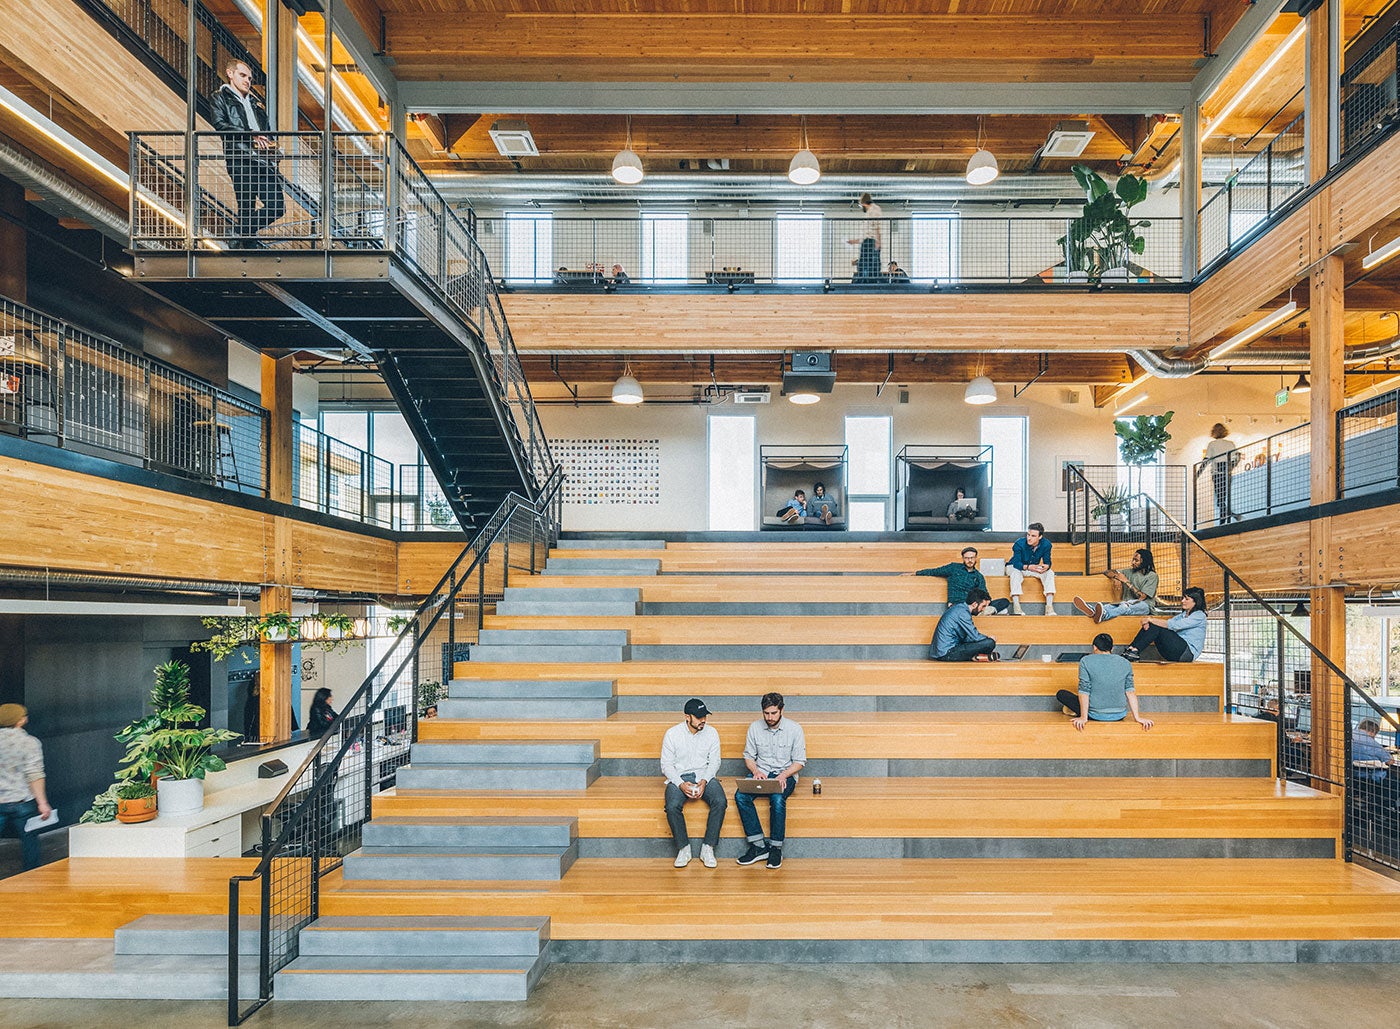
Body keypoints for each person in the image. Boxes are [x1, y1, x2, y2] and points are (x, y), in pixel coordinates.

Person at [210, 59, 286, 248]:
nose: (247, 81)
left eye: (250, 78)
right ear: (230, 73)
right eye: (243, 76)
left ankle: (240, 233)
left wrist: (273, 150)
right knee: (246, 207)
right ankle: (247, 243)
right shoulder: (220, 97)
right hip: (240, 159)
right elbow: (220, 125)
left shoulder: (256, 104)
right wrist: (249, 135)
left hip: (263, 161)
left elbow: (266, 133)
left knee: (277, 206)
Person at [734, 692, 806, 870]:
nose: (770, 717)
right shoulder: (754, 727)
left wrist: (784, 775)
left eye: (774, 713)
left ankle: (775, 848)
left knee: (777, 798)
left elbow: (799, 762)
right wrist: (755, 771)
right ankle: (759, 846)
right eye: (766, 713)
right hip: (762, 773)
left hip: (785, 774)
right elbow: (749, 757)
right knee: (740, 795)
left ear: (781, 710)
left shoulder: (795, 729)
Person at [660, 698, 726, 869]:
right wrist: (681, 784)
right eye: (698, 717)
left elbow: (715, 762)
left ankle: (708, 847)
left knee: (720, 801)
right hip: (679, 777)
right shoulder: (672, 734)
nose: (703, 720)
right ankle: (683, 848)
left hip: (704, 775)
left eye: (704, 716)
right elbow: (666, 765)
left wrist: (704, 781)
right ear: (687, 717)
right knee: (673, 804)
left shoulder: (712, 733)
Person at [1056, 634, 1153, 732]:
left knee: (1061, 694)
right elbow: (1130, 692)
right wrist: (1138, 718)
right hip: (1119, 715)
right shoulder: (1125, 662)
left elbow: (1084, 691)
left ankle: (1074, 710)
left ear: (1094, 647)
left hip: (1095, 715)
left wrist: (1083, 717)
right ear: (1112, 648)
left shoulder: (1086, 661)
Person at [0, 703, 51, 872]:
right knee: (30, 842)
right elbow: (34, 774)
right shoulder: (29, 742)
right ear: (20, 720)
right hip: (22, 801)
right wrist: (42, 803)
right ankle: (31, 877)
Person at [907, 546, 1009, 614]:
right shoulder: (953, 568)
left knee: (1004, 601)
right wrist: (915, 573)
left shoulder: (979, 576)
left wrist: (986, 602)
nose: (970, 560)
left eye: (972, 558)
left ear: (976, 558)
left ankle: (987, 610)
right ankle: (987, 612)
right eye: (967, 558)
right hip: (957, 605)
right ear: (963, 558)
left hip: (973, 605)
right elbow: (935, 571)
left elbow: (985, 594)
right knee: (1001, 611)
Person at [1124, 586, 1208, 663]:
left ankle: (1134, 650)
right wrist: (1149, 622)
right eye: (1183, 598)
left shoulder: (1199, 615)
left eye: (1186, 599)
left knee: (1156, 625)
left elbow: (1173, 625)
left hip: (1187, 653)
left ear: (1196, 602)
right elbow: (1169, 623)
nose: (1182, 601)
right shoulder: (1183, 615)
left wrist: (1150, 619)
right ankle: (1131, 649)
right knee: (1154, 624)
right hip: (1175, 650)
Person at [1073, 548, 1158, 623]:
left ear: (1144, 562)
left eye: (1136, 560)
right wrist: (1116, 576)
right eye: (1133, 559)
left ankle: (1104, 615)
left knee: (1124, 606)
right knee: (1114, 605)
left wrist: (1126, 581)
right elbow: (1107, 572)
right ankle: (1093, 611)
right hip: (1127, 602)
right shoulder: (1129, 572)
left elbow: (1142, 597)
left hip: (1145, 605)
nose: (1133, 562)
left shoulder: (1152, 576)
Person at [930, 587, 999, 662]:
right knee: (989, 643)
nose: (983, 609)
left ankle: (977, 657)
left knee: (984, 642)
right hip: (946, 653)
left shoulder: (960, 608)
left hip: (945, 651)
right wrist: (989, 638)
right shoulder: (963, 613)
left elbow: (966, 637)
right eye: (983, 606)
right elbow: (975, 636)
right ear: (975, 604)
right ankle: (975, 657)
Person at [1008, 522, 1056, 615]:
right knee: (1015, 574)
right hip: (1016, 567)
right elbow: (1016, 563)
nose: (1029, 538)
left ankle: (1049, 608)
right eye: (1028, 534)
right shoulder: (1019, 543)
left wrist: (1046, 566)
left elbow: (1047, 561)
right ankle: (1016, 607)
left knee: (1050, 573)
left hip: (1032, 568)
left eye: (1033, 536)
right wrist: (1028, 567)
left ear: (1040, 537)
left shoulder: (1046, 544)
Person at [1199, 422, 1238, 525]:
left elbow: (1206, 460)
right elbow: (1236, 457)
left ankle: (1226, 518)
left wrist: (1198, 474)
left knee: (1220, 499)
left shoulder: (1212, 444)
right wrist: (1231, 467)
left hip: (1217, 473)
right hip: (1227, 473)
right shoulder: (1230, 444)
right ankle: (1227, 518)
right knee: (1224, 498)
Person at [846, 192, 883, 282]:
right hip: (868, 241)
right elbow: (866, 233)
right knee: (865, 263)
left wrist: (878, 241)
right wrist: (854, 241)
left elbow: (876, 226)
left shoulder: (874, 209)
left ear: (862, 203)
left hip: (871, 241)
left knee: (870, 264)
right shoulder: (870, 212)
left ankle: (870, 282)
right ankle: (865, 281)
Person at [1352, 718, 1395, 784]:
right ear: (1373, 732)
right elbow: (1390, 761)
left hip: (1352, 774)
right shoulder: (1372, 743)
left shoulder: (1350, 735)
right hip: (1372, 777)